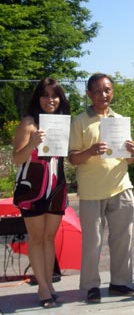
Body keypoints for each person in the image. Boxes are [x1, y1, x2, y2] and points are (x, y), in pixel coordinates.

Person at [68, 73, 134, 303]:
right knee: (92, 243)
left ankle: (120, 282)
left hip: (120, 187)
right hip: (91, 191)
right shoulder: (79, 121)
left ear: (113, 92)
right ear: (89, 94)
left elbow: (128, 160)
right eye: (97, 91)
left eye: (107, 90)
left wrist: (132, 152)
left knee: (122, 240)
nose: (103, 94)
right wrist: (89, 151)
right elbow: (72, 158)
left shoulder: (119, 120)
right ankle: (90, 286)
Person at [12, 77, 70, 308]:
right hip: (32, 188)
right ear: (38, 98)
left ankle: (49, 283)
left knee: (48, 238)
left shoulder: (61, 122)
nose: (50, 100)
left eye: (55, 95)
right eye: (45, 95)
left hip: (56, 186)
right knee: (36, 239)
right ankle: (42, 287)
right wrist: (32, 143)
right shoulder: (28, 123)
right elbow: (17, 158)